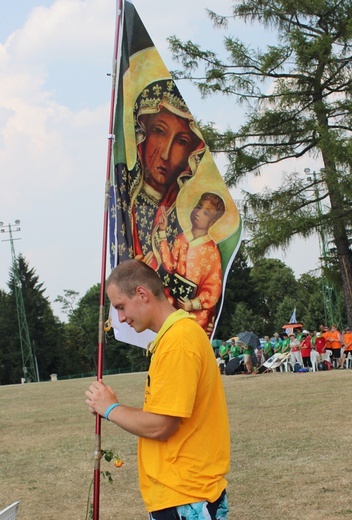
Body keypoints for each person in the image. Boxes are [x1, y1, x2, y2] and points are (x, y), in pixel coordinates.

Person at [85, 259, 230, 519]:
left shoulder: (179, 341)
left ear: (142, 294)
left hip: (185, 495)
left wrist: (110, 409)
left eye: (120, 307)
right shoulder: (173, 337)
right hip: (180, 493)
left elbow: (162, 425)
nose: (120, 317)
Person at [157, 192, 225, 335]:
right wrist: (162, 232)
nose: (198, 213)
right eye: (198, 207)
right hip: (175, 301)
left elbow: (213, 287)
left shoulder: (212, 251)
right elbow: (170, 266)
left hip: (196, 312)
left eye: (205, 213)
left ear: (212, 222)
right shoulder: (181, 238)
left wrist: (194, 303)